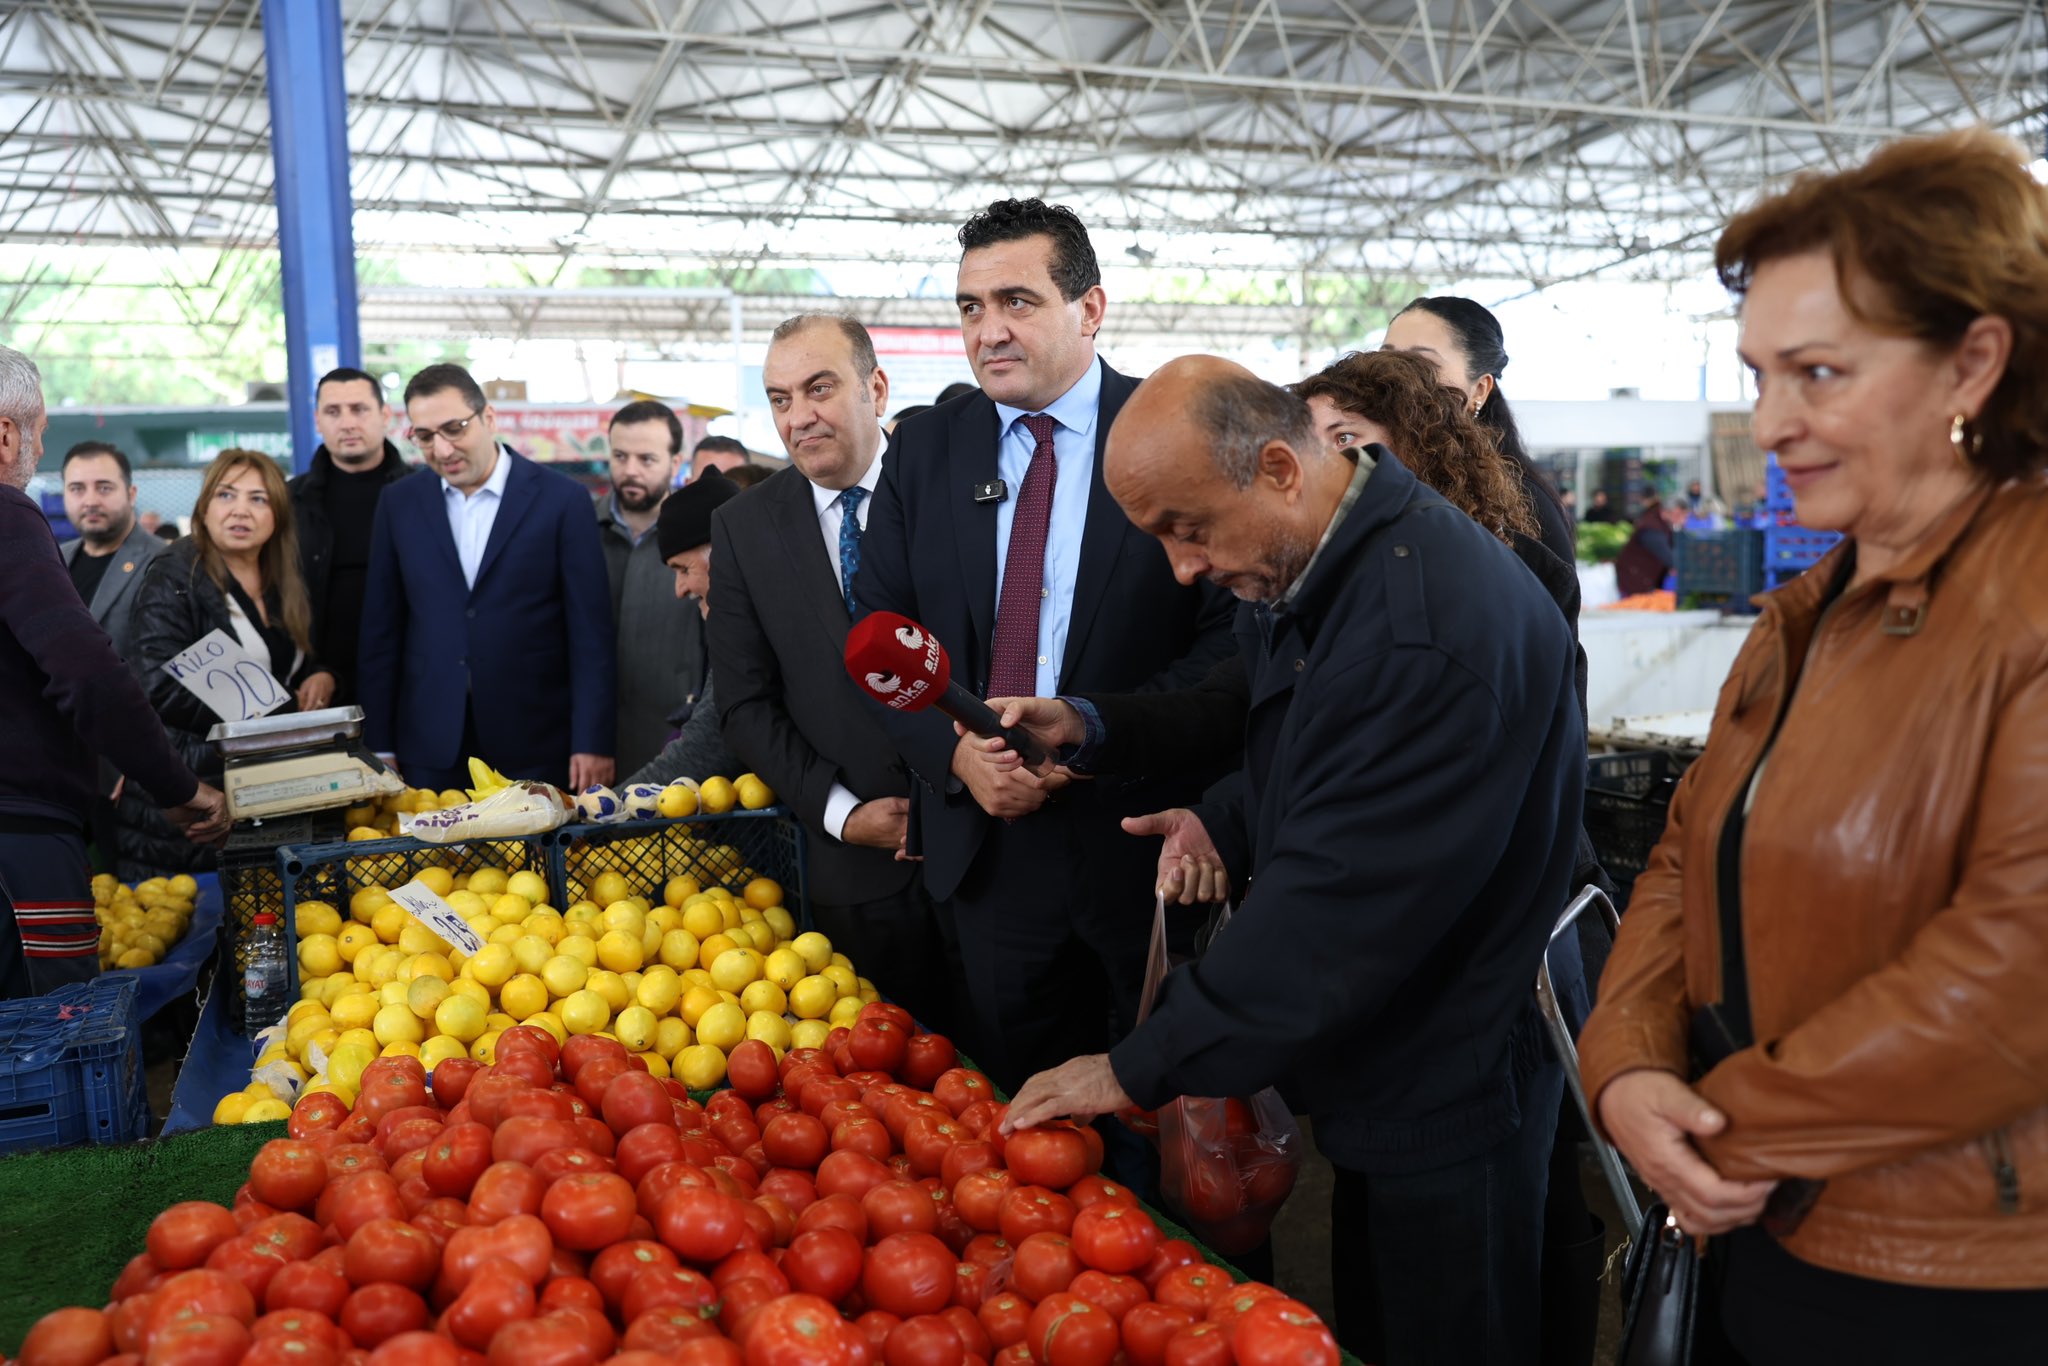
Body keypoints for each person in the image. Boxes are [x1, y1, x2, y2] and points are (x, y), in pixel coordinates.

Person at [995, 357, 1584, 1363]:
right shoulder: (1323, 566)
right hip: (1395, 1045)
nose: (1182, 567)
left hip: (1456, 1057)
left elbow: (1332, 912)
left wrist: (1132, 1064)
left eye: (1188, 528)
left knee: (1448, 1323)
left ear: (1277, 467)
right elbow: (1283, 734)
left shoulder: (1416, 631)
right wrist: (1204, 804)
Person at [1579, 128, 2048, 1364]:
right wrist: (1625, 1067)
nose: (1769, 420)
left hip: (1952, 1272)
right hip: (1759, 1222)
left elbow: (2016, 970)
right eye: (1757, 373)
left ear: (1972, 362)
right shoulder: (1807, 610)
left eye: (1818, 374)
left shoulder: (2029, 595)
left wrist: (1721, 1123)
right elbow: (1682, 859)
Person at [854, 199, 1236, 1088]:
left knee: (1179, 1130)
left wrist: (1097, 728)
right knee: (1021, 1142)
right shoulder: (924, 452)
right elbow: (876, 633)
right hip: (988, 853)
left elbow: (1230, 646)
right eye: (970, 307)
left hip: (1146, 846)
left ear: (1090, 310)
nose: (989, 331)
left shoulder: (1174, 429)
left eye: (1017, 302)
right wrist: (955, 757)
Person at [1297, 349, 1612, 1366]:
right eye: (1319, 450)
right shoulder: (1343, 596)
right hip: (1396, 1029)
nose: (1334, 474)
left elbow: (1393, 857)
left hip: (1482, 1002)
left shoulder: (1462, 602)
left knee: (1476, 1269)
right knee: (1401, 1273)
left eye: (1357, 448)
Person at [709, 314, 957, 1034]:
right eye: (780, 398)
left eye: (819, 388)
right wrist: (845, 814)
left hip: (986, 850)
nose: (799, 416)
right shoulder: (746, 528)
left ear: (875, 388)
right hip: (855, 870)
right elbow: (744, 706)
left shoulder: (954, 495)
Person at [0, 346, 226, 997]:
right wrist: (180, 790)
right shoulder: (10, 518)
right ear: (7, 432)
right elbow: (89, 675)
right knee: (48, 1035)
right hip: (17, 845)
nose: (38, 454)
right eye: (40, 436)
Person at [357, 363, 616, 793]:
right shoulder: (399, 504)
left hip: (537, 739)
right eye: (424, 437)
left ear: (489, 418)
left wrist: (593, 740)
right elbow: (381, 632)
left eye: (454, 429)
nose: (442, 450)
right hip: (429, 745)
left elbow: (590, 634)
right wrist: (379, 744)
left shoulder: (562, 500)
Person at [122, 449, 331, 878]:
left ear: (278, 514)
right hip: (191, 796)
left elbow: (279, 663)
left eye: (258, 499)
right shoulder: (176, 573)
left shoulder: (282, 579)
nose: (241, 510)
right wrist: (278, 717)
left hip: (254, 794)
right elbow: (157, 685)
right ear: (204, 506)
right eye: (226, 495)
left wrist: (320, 673)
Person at [1384, 296, 1576, 570]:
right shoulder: (1371, 471)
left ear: (1479, 390)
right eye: (1386, 357)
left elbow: (1552, 610)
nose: (1393, 375)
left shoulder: (1521, 502)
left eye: (1420, 362)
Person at [288, 367, 415, 705]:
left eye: (359, 409)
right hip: (317, 690)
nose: (347, 423)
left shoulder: (424, 496)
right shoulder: (288, 503)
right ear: (317, 420)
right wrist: (314, 668)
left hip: (413, 683)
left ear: (384, 415)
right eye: (333, 412)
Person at [598, 400, 706, 775]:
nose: (630, 471)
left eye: (646, 459)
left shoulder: (702, 538)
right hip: (590, 747)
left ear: (675, 463)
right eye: (620, 456)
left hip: (677, 739)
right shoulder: (578, 529)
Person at [625, 471, 744, 787]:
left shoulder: (750, 634)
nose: (679, 589)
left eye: (683, 569)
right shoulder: (741, 625)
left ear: (723, 555)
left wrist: (599, 813)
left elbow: (703, 751)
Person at [59, 441, 164, 663]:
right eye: (77, 489)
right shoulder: (54, 560)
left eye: (104, 488)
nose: (90, 501)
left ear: (131, 494)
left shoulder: (165, 562)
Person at [1613, 491, 1685, 595]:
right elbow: (1667, 556)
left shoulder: (1662, 524)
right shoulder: (1651, 528)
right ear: (1665, 512)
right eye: (1678, 515)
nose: (1682, 520)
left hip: (1644, 579)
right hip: (1635, 580)